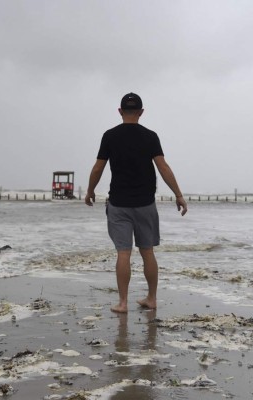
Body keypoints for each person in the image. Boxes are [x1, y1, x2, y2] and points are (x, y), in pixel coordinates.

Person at [85, 93, 188, 313]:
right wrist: (178, 194)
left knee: (123, 253)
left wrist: (90, 191)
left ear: (120, 111)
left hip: (119, 203)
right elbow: (163, 167)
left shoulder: (110, 136)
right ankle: (151, 298)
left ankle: (122, 303)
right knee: (147, 251)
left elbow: (98, 168)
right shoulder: (150, 136)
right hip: (145, 203)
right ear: (141, 112)